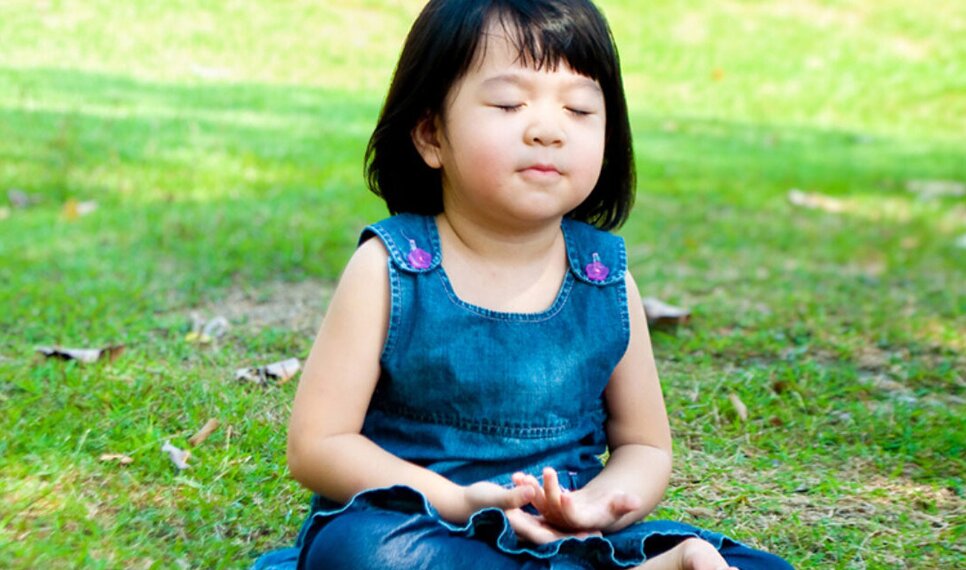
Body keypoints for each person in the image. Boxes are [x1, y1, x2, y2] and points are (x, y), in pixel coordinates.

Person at [254, 0, 793, 568]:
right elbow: (317, 446)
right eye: (510, 104)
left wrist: (593, 507)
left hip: (562, 539)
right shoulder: (391, 269)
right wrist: (457, 501)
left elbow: (645, 445)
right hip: (419, 526)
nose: (547, 130)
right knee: (369, 556)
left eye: (580, 110)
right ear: (431, 134)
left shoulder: (603, 278)